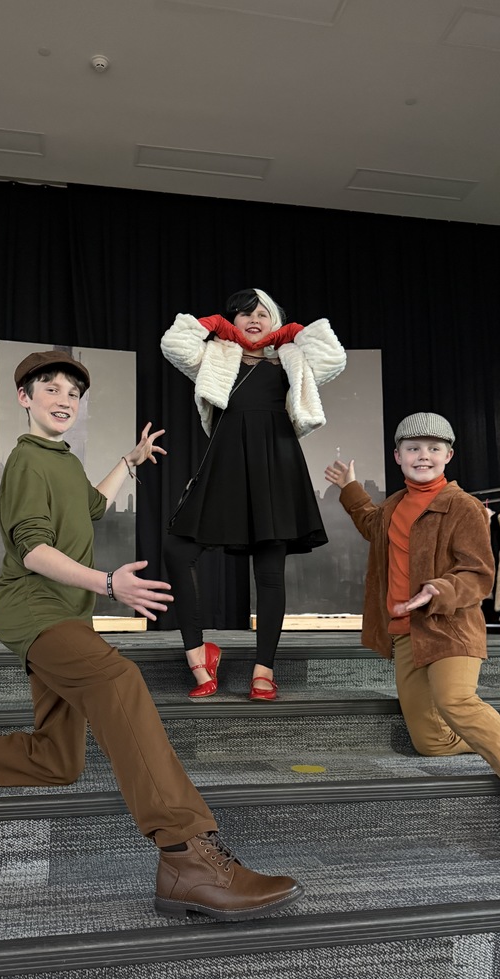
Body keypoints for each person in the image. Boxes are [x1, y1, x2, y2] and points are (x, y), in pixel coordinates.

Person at [0, 349, 303, 920]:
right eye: (51, 389)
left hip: (64, 613)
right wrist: (109, 582)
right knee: (119, 680)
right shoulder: (24, 463)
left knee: (57, 758)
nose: (64, 399)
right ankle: (187, 857)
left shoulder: (58, 459)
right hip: (36, 610)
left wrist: (129, 461)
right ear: (25, 398)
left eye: (73, 393)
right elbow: (33, 550)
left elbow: (90, 507)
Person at [324, 411, 500, 856]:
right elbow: (373, 526)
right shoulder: (394, 506)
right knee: (432, 742)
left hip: (451, 627)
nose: (424, 455)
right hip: (407, 634)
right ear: (398, 456)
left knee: (457, 702)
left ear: (449, 456)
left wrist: (435, 589)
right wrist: (349, 487)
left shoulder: (460, 506)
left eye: (434, 448)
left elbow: (479, 575)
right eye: (414, 448)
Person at [161, 288, 346, 701]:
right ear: (233, 323)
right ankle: (198, 655)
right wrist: (212, 326)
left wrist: (293, 333)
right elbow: (174, 343)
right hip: (226, 465)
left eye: (262, 313)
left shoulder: (291, 359)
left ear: (275, 319)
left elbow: (334, 356)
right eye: (243, 315)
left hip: (276, 467)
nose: (253, 319)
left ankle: (264, 670)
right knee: (178, 550)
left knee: (269, 572)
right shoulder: (217, 357)